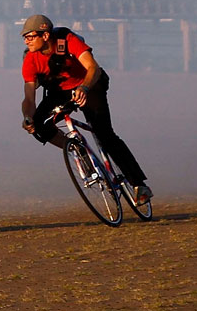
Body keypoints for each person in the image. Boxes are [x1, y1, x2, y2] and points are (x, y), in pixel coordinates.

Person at [18, 13, 151, 203]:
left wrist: (84, 88)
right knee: (38, 126)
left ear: (45, 35)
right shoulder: (30, 60)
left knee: (104, 134)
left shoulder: (67, 40)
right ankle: (75, 149)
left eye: (30, 37)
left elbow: (93, 68)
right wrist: (27, 118)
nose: (26, 42)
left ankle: (139, 185)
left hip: (90, 84)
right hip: (59, 91)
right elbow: (29, 99)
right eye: (24, 38)